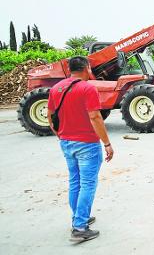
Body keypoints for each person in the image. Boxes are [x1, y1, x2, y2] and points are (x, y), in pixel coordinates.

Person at [46, 56, 114, 242]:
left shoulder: (56, 88)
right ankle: (79, 227)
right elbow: (95, 117)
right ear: (87, 68)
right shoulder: (87, 87)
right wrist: (107, 143)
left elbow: (50, 116)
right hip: (87, 144)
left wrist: (61, 135)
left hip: (66, 143)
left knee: (75, 181)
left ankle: (78, 217)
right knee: (88, 184)